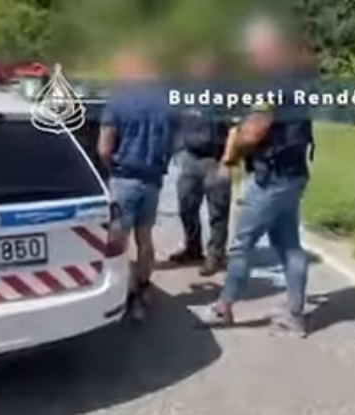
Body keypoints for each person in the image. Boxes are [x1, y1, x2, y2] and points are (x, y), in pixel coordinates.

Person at [203, 16, 315, 337]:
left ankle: (224, 307)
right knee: (289, 245)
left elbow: (253, 133)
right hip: (293, 175)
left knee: (242, 245)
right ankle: (295, 313)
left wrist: (232, 151)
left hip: (270, 178)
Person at [97, 47, 176, 322]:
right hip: (152, 180)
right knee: (145, 238)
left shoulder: (117, 104)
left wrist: (111, 170)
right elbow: (171, 143)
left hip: (123, 178)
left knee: (118, 240)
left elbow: (104, 148)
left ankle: (122, 294)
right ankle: (143, 288)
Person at [168, 51, 233, 276]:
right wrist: (178, 150)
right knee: (186, 207)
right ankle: (192, 247)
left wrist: (228, 161)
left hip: (217, 159)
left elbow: (235, 130)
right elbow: (175, 123)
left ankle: (216, 255)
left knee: (218, 212)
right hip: (190, 157)